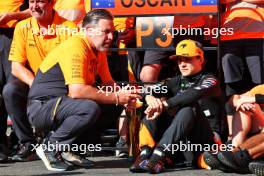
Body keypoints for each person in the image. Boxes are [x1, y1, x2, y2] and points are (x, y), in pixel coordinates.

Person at [27, 9, 141, 171]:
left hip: (65, 105)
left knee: (111, 104)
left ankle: (70, 149)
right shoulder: (76, 45)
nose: (111, 37)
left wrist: (125, 98)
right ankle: (50, 146)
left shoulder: (98, 49)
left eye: (112, 32)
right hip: (42, 108)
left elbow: (108, 83)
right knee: (90, 107)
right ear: (88, 30)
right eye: (106, 32)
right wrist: (117, 97)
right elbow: (77, 91)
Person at [130, 39, 223, 174]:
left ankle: (158, 156)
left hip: (204, 144)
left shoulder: (211, 80)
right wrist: (150, 98)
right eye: (179, 60)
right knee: (153, 109)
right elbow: (147, 91)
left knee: (189, 106)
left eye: (187, 59)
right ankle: (144, 155)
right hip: (177, 143)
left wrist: (165, 104)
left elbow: (192, 95)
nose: (182, 64)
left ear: (200, 59)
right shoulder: (174, 81)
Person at [3, 0, 77, 162]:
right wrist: (37, 85)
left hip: (61, 82)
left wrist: (49, 86)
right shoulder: (22, 27)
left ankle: (56, 143)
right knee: (10, 90)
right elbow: (16, 67)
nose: (34, 6)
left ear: (52, 3)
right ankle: (28, 144)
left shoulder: (69, 28)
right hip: (34, 81)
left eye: (41, 1)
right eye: (32, 1)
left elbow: (74, 66)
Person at [0, 0, 31, 162]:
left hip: (13, 34)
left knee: (12, 91)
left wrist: (12, 16)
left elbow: (36, 9)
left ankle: (26, 142)